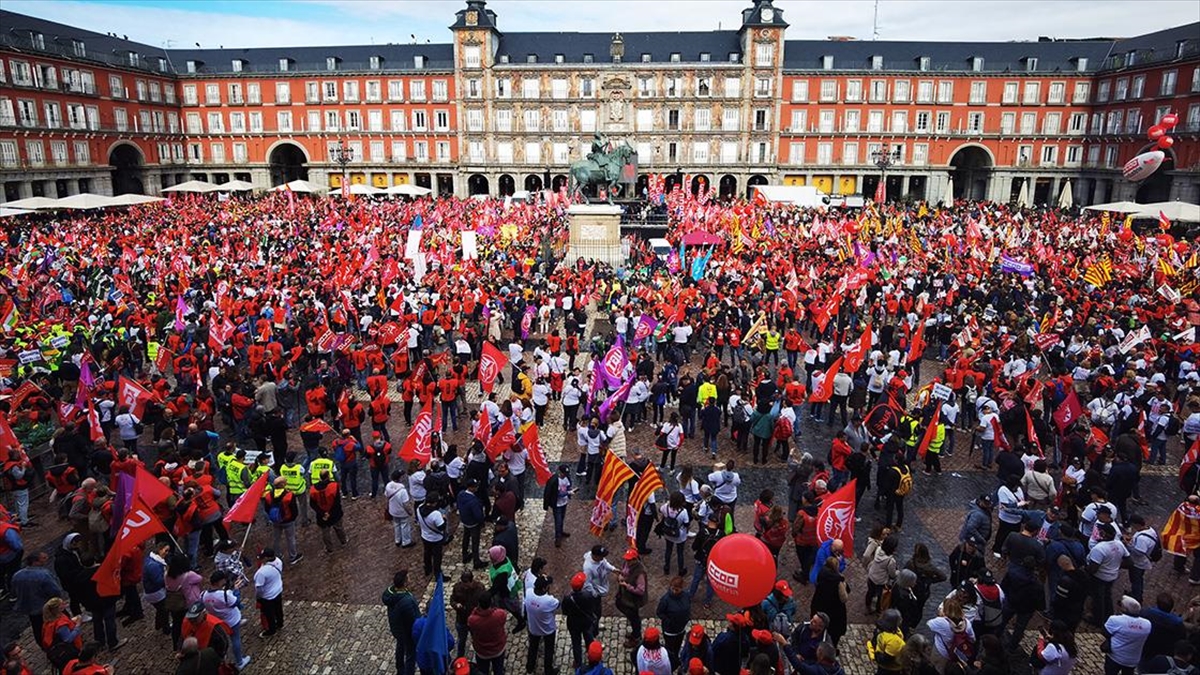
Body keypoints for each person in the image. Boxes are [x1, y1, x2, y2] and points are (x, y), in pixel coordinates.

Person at [200, 570, 250, 670]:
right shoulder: (224, 595)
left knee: (222, 640)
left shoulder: (203, 595)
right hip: (232, 620)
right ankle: (240, 661)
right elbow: (235, 602)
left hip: (218, 621)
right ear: (219, 581)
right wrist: (236, 590)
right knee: (235, 639)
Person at [11, 552, 61, 645]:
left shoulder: (17, 575)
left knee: (37, 629)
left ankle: (43, 645)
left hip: (30, 609)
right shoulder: (44, 574)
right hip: (46, 607)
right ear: (35, 562)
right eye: (43, 558)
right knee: (54, 626)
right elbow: (55, 591)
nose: (46, 559)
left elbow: (14, 592)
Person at [383, 570, 420, 675]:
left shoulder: (390, 593)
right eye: (409, 578)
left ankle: (400, 669)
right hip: (406, 632)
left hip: (397, 628)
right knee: (410, 654)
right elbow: (413, 619)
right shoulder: (407, 601)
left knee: (400, 647)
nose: (410, 579)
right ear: (404, 583)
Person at [1103, 596, 1151, 675]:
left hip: (1115, 657)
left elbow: (1106, 632)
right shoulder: (1147, 624)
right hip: (1133, 660)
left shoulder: (1115, 620)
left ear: (1124, 609)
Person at [563, 572, 600, 670]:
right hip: (586, 622)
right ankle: (592, 656)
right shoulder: (588, 596)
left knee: (576, 642)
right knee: (589, 638)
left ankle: (578, 663)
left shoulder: (567, 598)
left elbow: (565, 612)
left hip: (573, 623)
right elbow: (593, 608)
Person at [263, 476, 303, 565]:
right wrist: (293, 518)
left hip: (276, 520)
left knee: (276, 539)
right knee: (290, 539)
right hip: (288, 520)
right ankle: (293, 557)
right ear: (282, 485)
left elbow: (266, 509)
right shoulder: (289, 495)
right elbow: (294, 510)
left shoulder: (268, 495)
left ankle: (277, 555)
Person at [523, 575, 559, 675]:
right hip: (548, 629)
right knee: (549, 650)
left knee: (533, 648)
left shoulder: (529, 592)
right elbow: (558, 605)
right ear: (544, 588)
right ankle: (548, 670)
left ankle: (530, 667)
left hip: (533, 628)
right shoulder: (549, 600)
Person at [655, 576, 690, 672]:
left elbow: (688, 608)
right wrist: (668, 621)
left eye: (677, 589)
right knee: (669, 648)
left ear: (681, 588)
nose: (674, 591)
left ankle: (675, 658)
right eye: (673, 589)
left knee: (677, 647)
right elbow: (659, 612)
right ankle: (669, 662)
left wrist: (686, 619)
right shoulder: (665, 600)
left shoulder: (686, 596)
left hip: (681, 629)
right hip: (670, 631)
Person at [811, 556, 848, 646]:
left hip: (819, 604)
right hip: (834, 609)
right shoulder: (838, 581)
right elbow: (844, 598)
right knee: (834, 631)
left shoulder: (822, 573)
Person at [466, 592, 507, 675]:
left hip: (482, 652)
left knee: (483, 672)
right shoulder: (500, 614)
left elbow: (470, 625)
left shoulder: (473, 620)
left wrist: (476, 610)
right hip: (498, 650)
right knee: (498, 671)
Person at [310, 469, 348, 553]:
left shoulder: (313, 489)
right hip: (334, 512)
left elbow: (312, 504)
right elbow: (337, 501)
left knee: (325, 532)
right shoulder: (334, 486)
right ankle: (343, 541)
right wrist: (329, 512)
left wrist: (323, 513)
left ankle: (329, 548)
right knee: (338, 527)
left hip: (321, 515)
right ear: (328, 476)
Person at [615, 548, 647, 648]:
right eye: (626, 559)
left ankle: (636, 638)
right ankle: (634, 634)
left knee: (634, 619)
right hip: (625, 596)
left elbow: (640, 590)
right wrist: (621, 576)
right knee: (626, 611)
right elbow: (624, 572)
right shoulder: (626, 564)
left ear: (635, 559)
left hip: (633, 600)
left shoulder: (640, 573)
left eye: (629, 560)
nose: (627, 562)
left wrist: (627, 586)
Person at [253, 548, 285, 638]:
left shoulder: (262, 572)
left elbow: (259, 587)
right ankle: (280, 623)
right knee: (278, 608)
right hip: (278, 590)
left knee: (269, 614)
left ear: (266, 558)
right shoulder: (278, 561)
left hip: (267, 596)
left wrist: (258, 597)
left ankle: (271, 630)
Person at [418, 494, 449, 578]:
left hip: (425, 536)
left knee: (427, 553)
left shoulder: (419, 508)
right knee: (437, 557)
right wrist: (444, 518)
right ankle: (438, 574)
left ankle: (427, 569)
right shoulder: (436, 514)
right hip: (435, 539)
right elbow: (441, 527)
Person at [386, 470, 415, 548]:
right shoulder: (402, 491)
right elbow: (405, 504)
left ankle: (397, 540)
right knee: (404, 526)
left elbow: (386, 496)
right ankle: (406, 541)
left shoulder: (388, 485)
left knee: (396, 525)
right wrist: (410, 512)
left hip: (393, 510)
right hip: (401, 512)